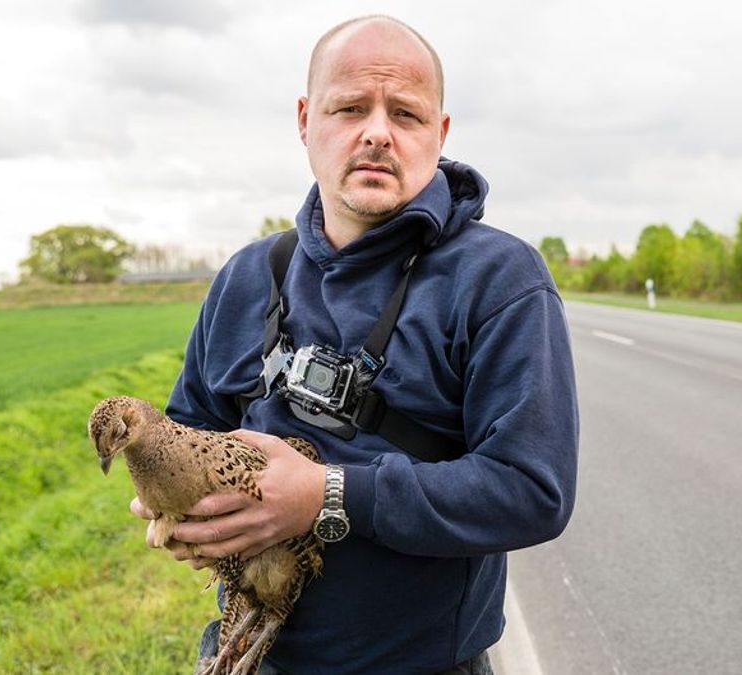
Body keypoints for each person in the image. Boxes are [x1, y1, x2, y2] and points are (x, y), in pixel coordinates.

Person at [128, 14, 579, 675]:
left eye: (405, 113)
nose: (376, 131)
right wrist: (178, 498)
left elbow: (532, 489)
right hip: (249, 656)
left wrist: (325, 493)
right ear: (306, 120)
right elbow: (192, 424)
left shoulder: (499, 280)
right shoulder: (248, 276)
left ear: (440, 133)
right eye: (349, 108)